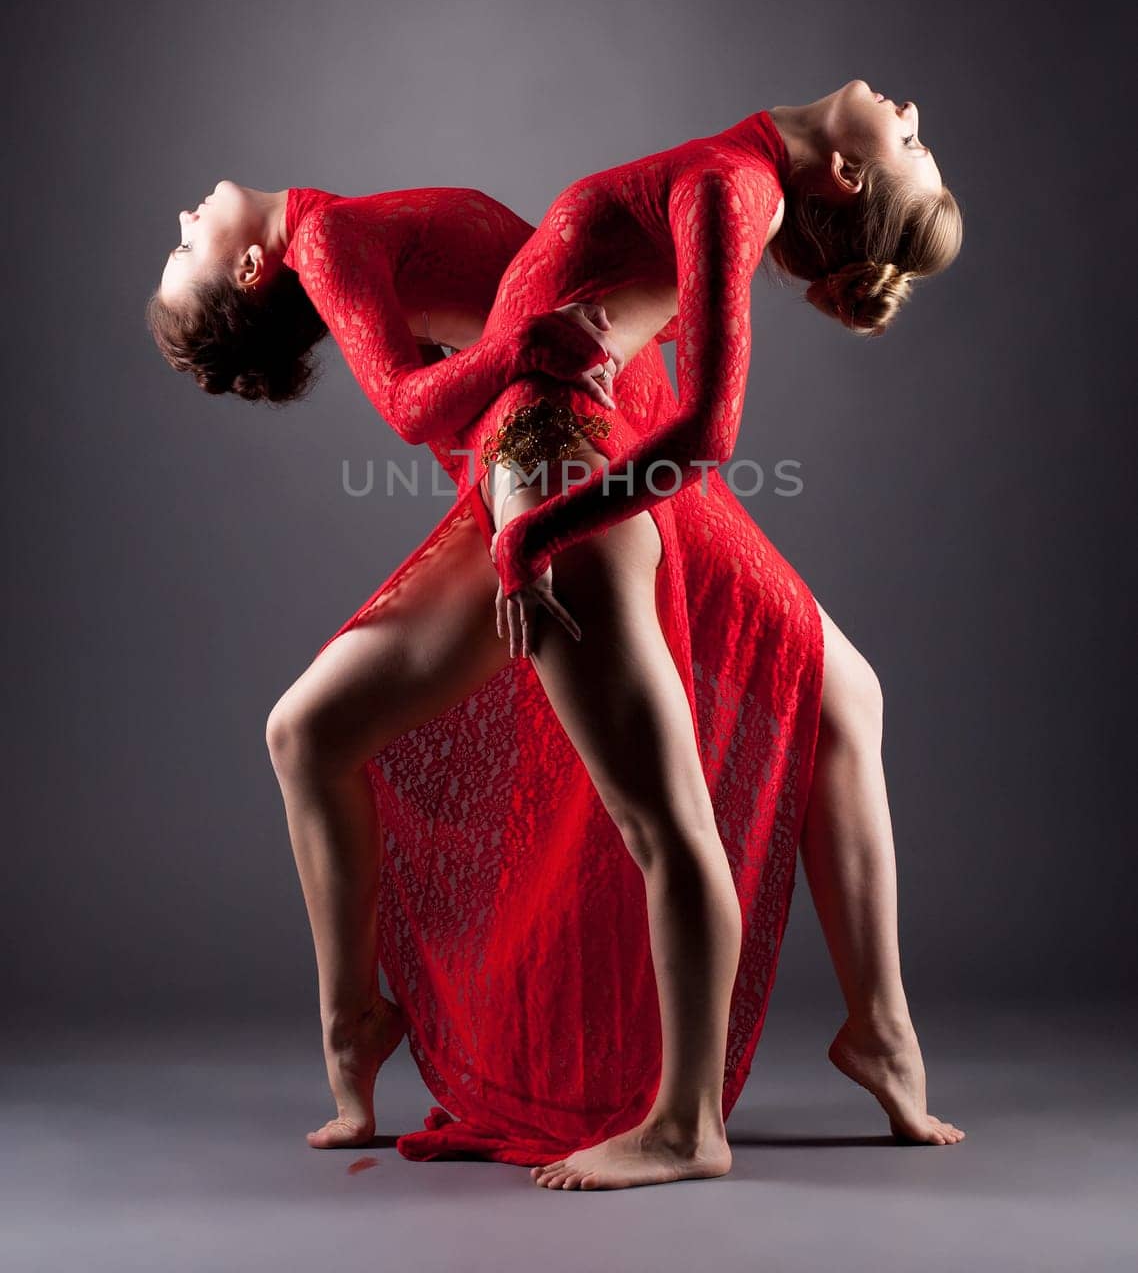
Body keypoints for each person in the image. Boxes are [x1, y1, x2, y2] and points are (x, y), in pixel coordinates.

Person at [146, 78, 964, 1190]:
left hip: (592, 446)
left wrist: (569, 382)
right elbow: (412, 400)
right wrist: (532, 370)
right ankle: (375, 1034)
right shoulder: (326, 236)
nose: (185, 221)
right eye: (184, 249)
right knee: (324, 735)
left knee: (837, 700)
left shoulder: (736, 182)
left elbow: (663, 372)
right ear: (251, 273)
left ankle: (861, 1041)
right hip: (561, 451)